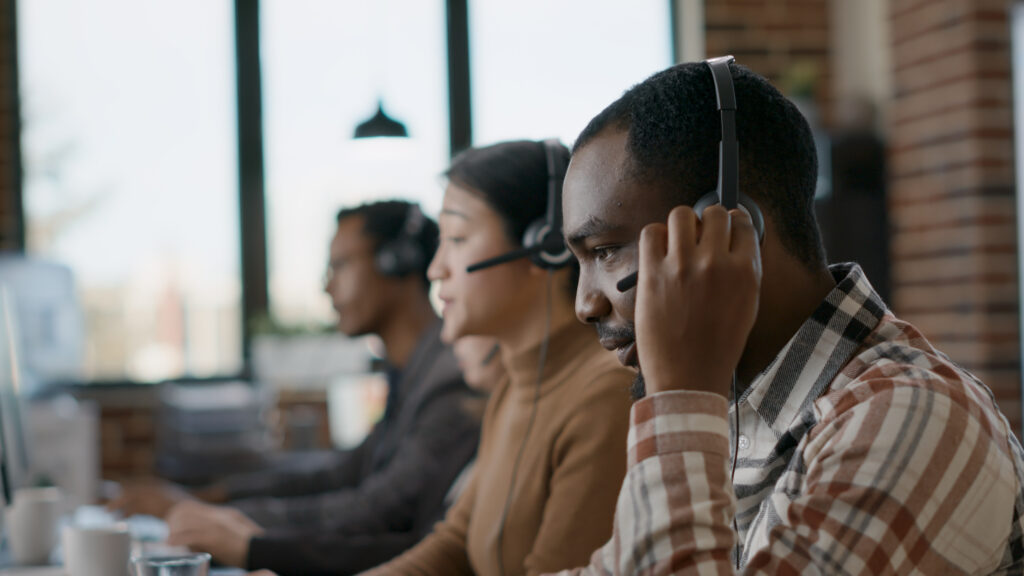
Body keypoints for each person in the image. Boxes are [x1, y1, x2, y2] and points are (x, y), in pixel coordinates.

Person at [550, 59, 1024, 574]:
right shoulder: (733, 410)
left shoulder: (913, 417)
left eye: (606, 251)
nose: (584, 304)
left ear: (731, 230)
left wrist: (681, 396)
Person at [112, 200, 484, 572]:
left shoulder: (450, 378)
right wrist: (213, 498)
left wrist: (232, 527)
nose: (327, 286)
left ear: (395, 262)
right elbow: (341, 474)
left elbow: (378, 510)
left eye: (340, 265)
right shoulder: (410, 373)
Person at [360, 140, 634, 576]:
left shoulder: (604, 396)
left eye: (459, 239)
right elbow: (454, 544)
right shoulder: (513, 383)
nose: (435, 270)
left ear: (542, 246)